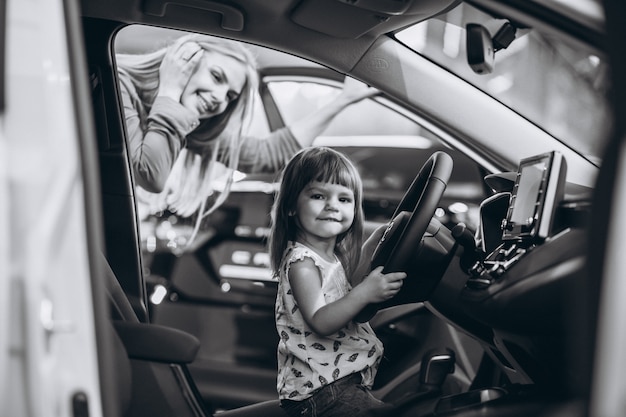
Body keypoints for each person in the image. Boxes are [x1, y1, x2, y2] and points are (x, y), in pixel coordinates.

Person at [115, 33, 379, 227]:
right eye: (216, 77)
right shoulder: (119, 83)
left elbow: (267, 154)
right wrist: (170, 90)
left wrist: (342, 100)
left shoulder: (188, 124)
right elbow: (151, 175)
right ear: (182, 59)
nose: (219, 98)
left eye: (229, 95)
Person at [268, 147, 407, 417]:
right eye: (318, 195)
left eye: (344, 199)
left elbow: (343, 293)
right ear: (290, 207)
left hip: (335, 384)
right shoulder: (303, 263)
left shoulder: (330, 257)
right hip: (320, 393)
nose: (332, 205)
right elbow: (321, 320)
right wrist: (365, 293)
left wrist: (382, 238)